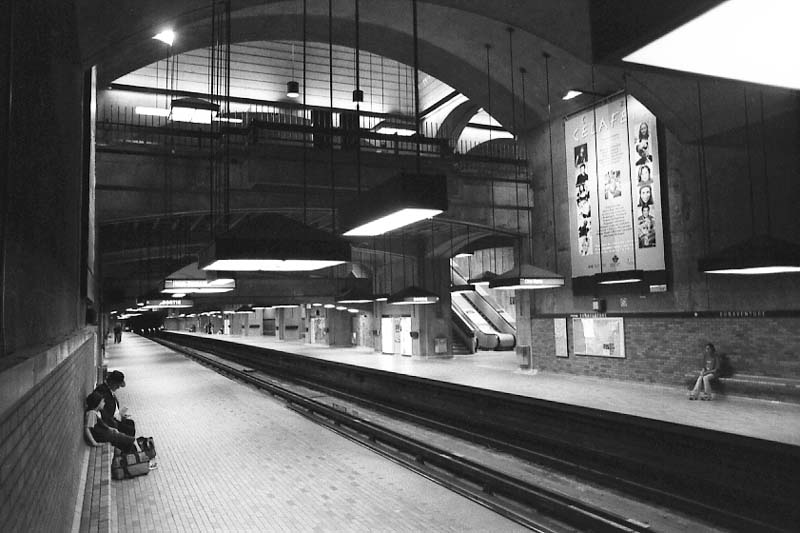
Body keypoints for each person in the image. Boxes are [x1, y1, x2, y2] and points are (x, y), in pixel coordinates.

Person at [94, 370, 135, 436]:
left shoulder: (108, 390)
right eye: (117, 385)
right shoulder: (103, 391)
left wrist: (119, 415)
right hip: (110, 422)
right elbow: (104, 412)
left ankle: (129, 443)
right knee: (130, 429)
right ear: (112, 382)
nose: (118, 388)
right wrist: (115, 421)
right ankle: (128, 443)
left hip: (114, 419)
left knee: (131, 423)